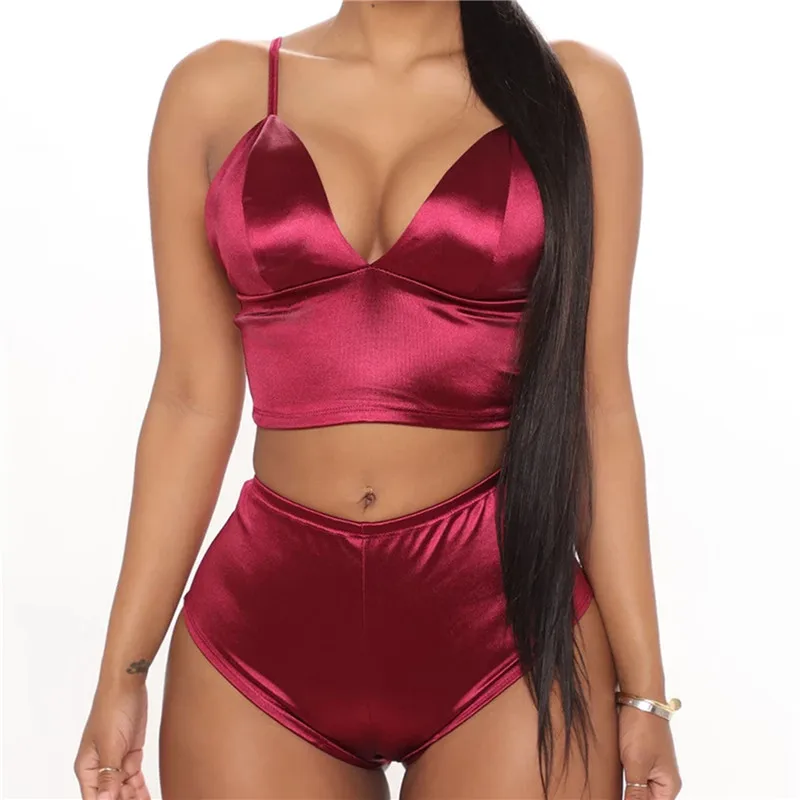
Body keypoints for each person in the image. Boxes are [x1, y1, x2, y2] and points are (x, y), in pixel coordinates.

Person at [74, 2, 682, 798]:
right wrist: (123, 671)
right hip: (260, 633)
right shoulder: (214, 91)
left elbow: (597, 403)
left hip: (507, 632)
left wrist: (645, 693)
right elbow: (190, 400)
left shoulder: (572, 90)